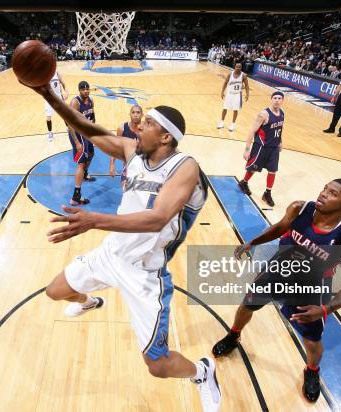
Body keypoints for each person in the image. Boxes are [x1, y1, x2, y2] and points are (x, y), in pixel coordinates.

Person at [30, 82, 221, 412]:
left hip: (145, 272)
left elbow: (157, 218)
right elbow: (88, 128)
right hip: (110, 254)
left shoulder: (185, 166)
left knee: (157, 365)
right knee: (54, 291)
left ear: (165, 137)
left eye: (147, 123)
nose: (139, 126)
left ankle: (202, 372)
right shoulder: (134, 152)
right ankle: (91, 301)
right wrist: (48, 94)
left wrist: (94, 220)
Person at [212, 179, 341, 403]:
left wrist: (325, 309)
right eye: (324, 188)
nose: (323, 193)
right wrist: (253, 242)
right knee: (247, 305)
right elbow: (280, 228)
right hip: (278, 270)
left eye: (332, 193)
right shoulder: (300, 208)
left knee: (312, 340)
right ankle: (233, 335)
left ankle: (312, 370)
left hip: (311, 286)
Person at [239, 91, 285, 207]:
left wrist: (280, 141)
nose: (277, 100)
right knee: (253, 168)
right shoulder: (264, 114)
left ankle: (267, 193)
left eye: (279, 98)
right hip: (261, 147)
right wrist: (247, 149)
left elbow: (280, 128)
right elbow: (252, 130)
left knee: (272, 171)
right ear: (271, 99)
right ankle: (244, 183)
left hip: (274, 148)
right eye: (275, 98)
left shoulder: (282, 112)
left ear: (282, 101)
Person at [68, 80, 96, 206]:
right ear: (79, 90)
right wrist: (77, 143)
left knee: (91, 154)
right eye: (83, 89)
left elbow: (92, 118)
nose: (86, 91)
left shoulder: (90, 100)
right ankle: (76, 197)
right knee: (81, 163)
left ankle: (84, 174)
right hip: (78, 134)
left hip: (86, 133)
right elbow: (70, 124)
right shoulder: (75, 102)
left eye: (87, 89)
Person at [109, 104, 142, 186]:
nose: (135, 115)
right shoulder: (122, 128)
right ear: (130, 114)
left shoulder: (147, 128)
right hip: (128, 165)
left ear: (142, 114)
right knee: (125, 188)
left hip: (143, 165)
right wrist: (112, 165)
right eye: (133, 112)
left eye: (138, 112)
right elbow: (115, 147)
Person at [218, 62, 250, 132]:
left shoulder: (243, 76)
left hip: (237, 94)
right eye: (237, 67)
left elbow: (247, 86)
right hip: (229, 93)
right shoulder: (230, 74)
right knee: (225, 108)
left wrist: (247, 94)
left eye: (239, 67)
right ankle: (222, 122)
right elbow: (225, 83)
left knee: (235, 110)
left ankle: (232, 124)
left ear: (241, 68)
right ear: (234, 67)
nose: (238, 68)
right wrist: (222, 92)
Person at [45, 71, 68, 142]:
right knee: (48, 117)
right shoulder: (45, 74)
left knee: (64, 115)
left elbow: (63, 83)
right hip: (49, 98)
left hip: (59, 97)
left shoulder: (57, 73)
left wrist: (66, 92)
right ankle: (50, 132)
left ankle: (68, 128)